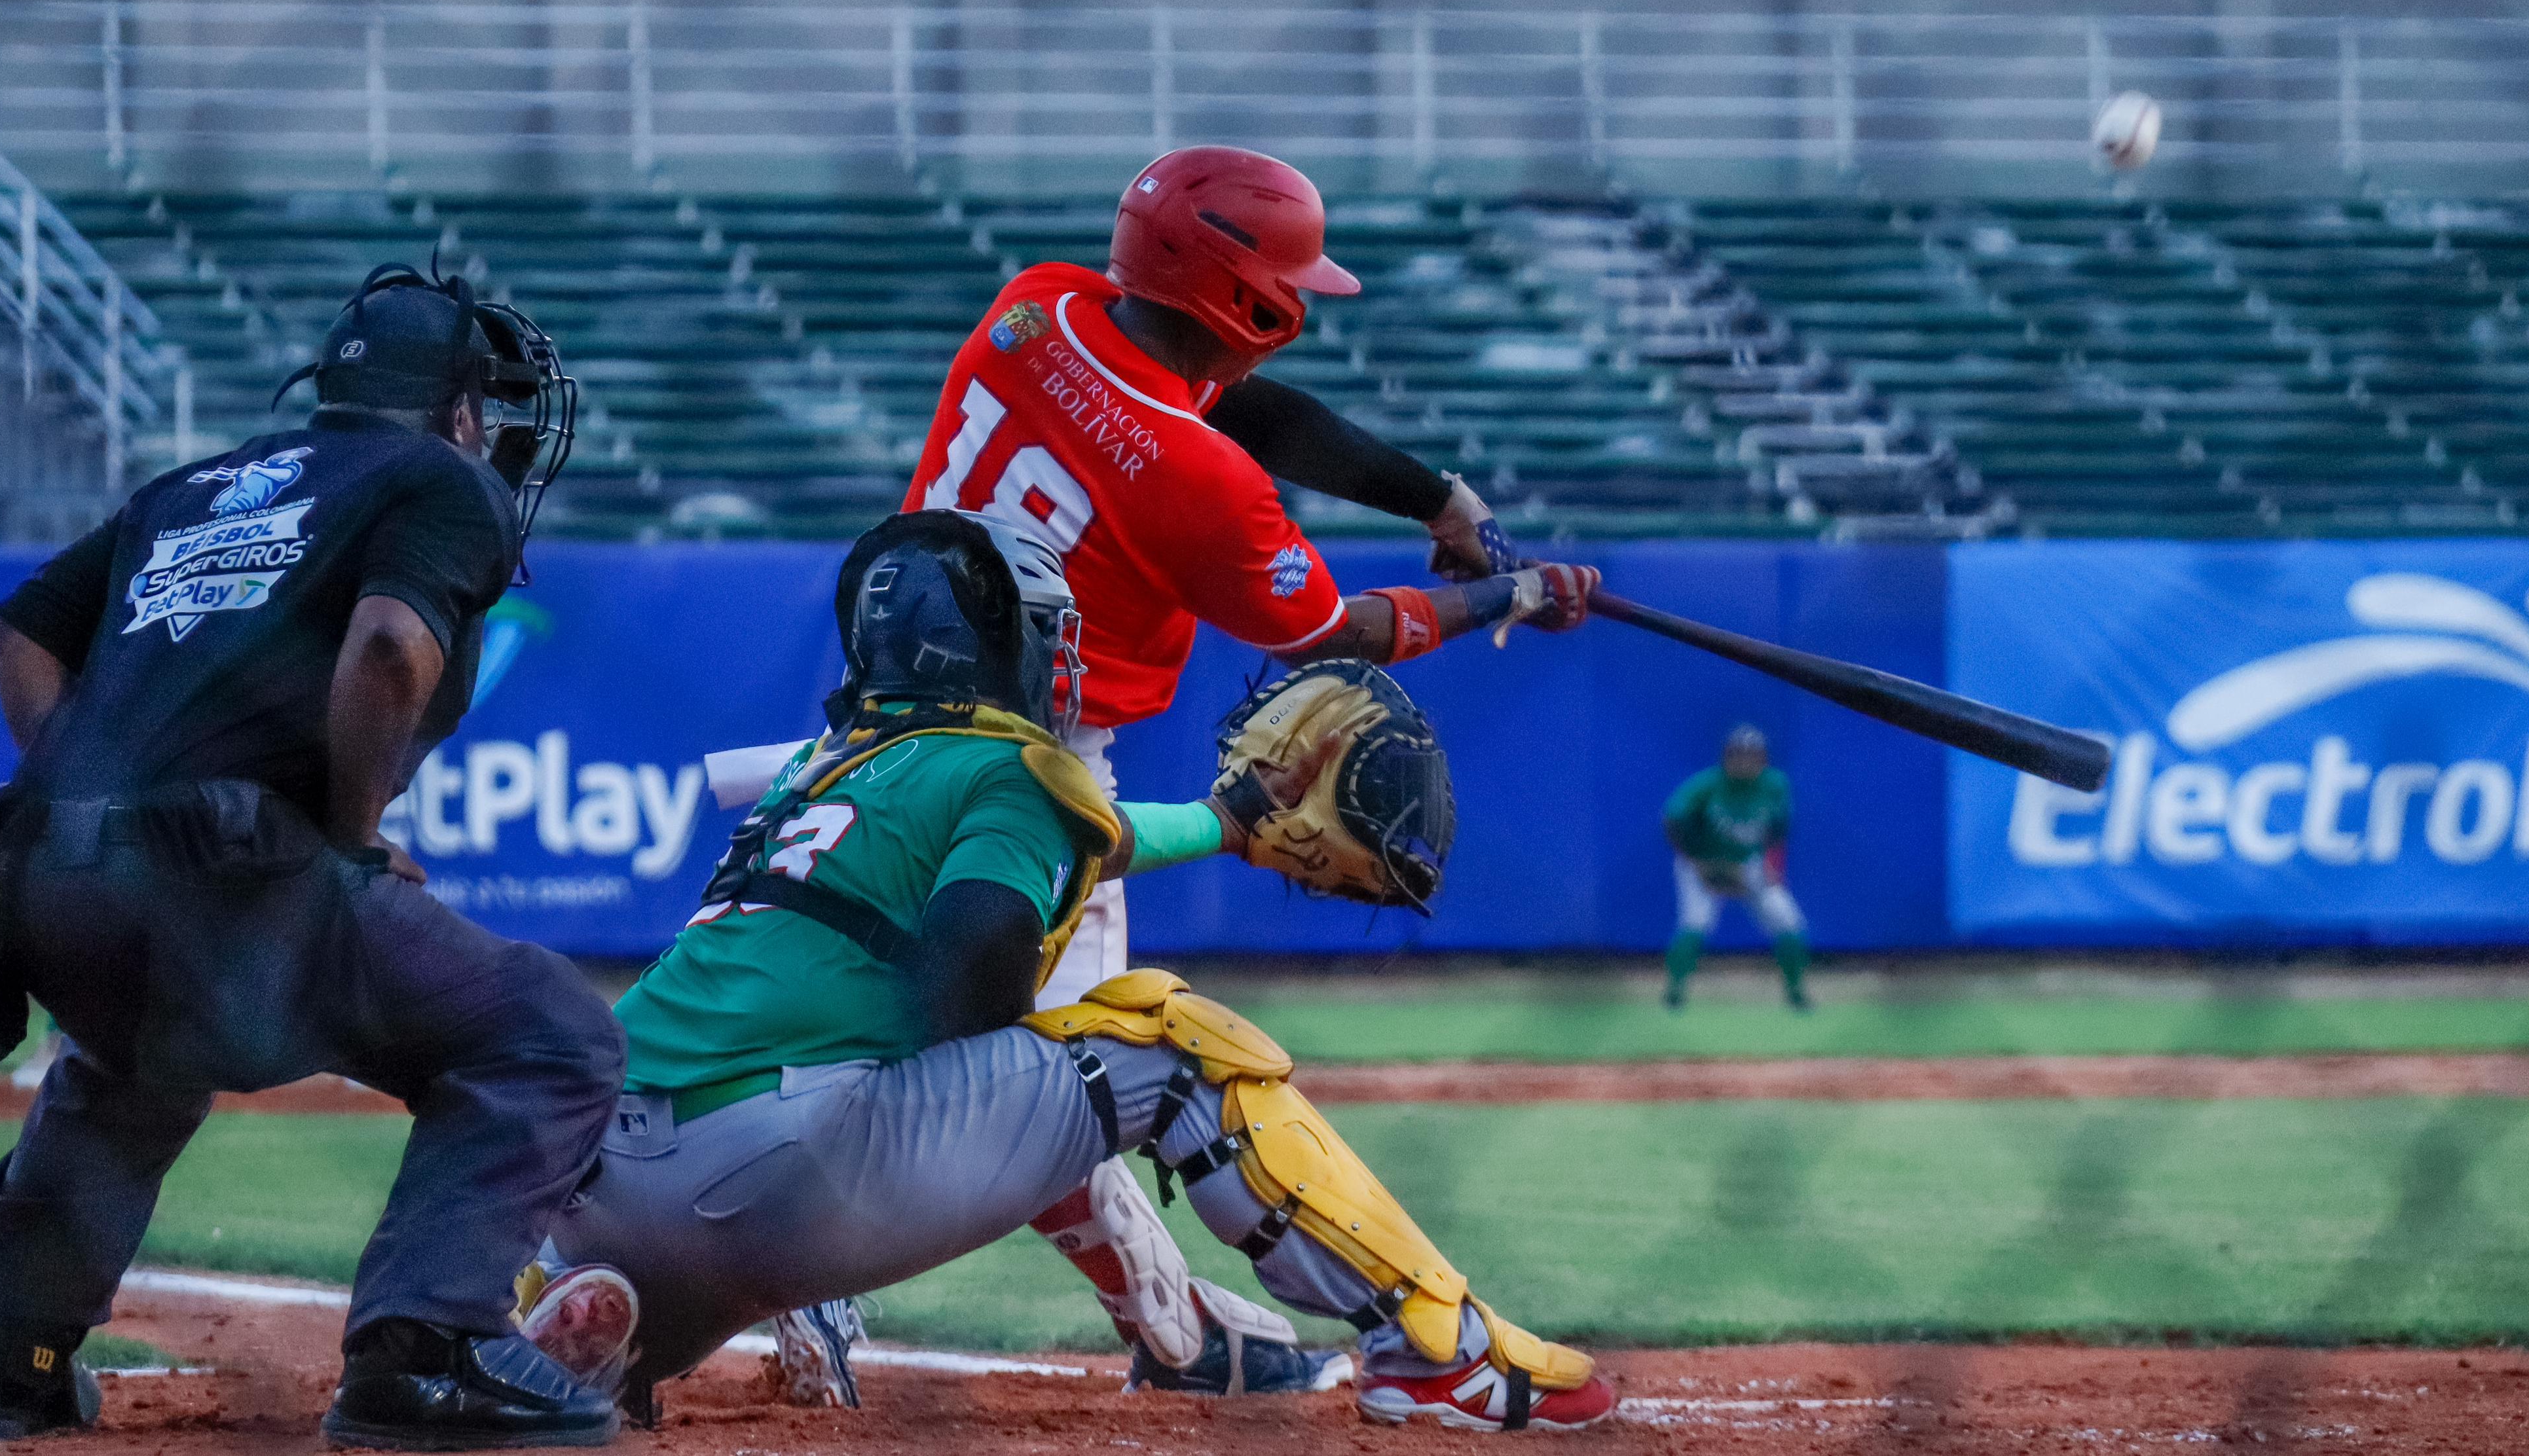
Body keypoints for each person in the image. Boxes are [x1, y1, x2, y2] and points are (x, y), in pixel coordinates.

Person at [513, 511, 1619, 1432]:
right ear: (1002, 645)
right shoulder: (1015, 766)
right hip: (780, 1177)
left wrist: (1228, 822)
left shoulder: (816, 771)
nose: (1064, 657)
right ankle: (1436, 1350)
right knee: (1170, 1040)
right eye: (1053, 634)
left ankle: (604, 1337)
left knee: (691, 1233)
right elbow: (975, 968)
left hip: (596, 1180)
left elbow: (1091, 831)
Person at [870, 145, 1601, 1392]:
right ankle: (1323, 1341)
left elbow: (1227, 399)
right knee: (1083, 1067)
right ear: (1243, 293)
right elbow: (1327, 628)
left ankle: (1169, 1332)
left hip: (879, 731)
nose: (1301, 300)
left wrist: (1436, 496)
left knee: (936, 1039)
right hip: (1032, 781)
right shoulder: (1194, 477)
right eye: (1286, 280)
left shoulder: (1038, 305)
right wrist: (1507, 594)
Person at [0, 264, 627, 1450]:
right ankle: (425, 1349)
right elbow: (392, 645)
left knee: (139, 1052)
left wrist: (92, 801)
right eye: (485, 409)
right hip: (231, 881)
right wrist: (349, 842)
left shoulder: (193, 485)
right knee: (552, 1031)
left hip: (34, 887)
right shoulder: (441, 480)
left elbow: (19, 632)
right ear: (457, 409)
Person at [1659, 725, 1811, 1011]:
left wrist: (1773, 866)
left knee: (1789, 922)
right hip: (1702, 863)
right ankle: (1674, 994)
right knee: (1696, 923)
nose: (1745, 761)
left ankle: (1796, 994)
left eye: (1752, 756)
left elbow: (1778, 830)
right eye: (1738, 755)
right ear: (1726, 757)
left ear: (1763, 759)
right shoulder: (1708, 785)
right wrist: (1695, 860)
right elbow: (1672, 819)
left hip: (1748, 864)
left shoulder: (1775, 785)